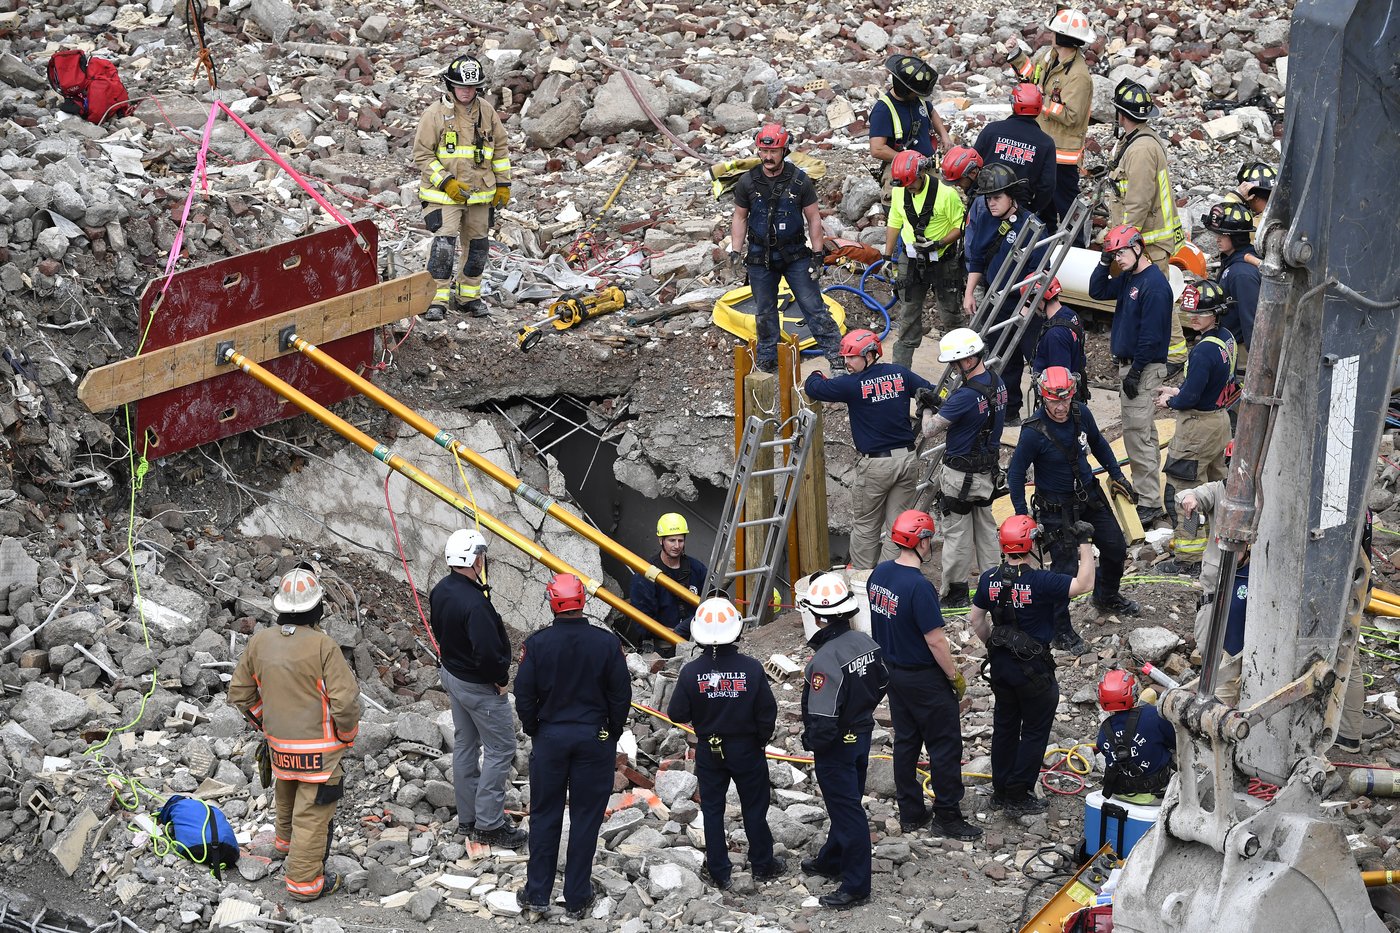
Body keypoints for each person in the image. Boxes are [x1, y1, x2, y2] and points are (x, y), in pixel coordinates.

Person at [229, 566, 360, 901]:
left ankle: (284, 845)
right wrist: (346, 734)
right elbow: (344, 703)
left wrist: (265, 724)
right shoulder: (323, 645)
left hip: (280, 748)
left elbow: (241, 694)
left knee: (287, 789)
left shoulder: (260, 642)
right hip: (320, 753)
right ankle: (303, 882)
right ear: (317, 608)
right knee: (313, 815)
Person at [515, 574, 631, 920]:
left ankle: (537, 893)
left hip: (551, 738)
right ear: (583, 601)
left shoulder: (537, 645)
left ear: (553, 602)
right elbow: (620, 694)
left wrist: (535, 727)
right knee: (585, 818)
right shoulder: (606, 643)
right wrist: (611, 730)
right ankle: (578, 896)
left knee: (545, 815)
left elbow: (524, 693)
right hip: (593, 739)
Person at [866, 511, 982, 840]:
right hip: (923, 677)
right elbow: (935, 641)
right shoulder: (919, 587)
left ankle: (911, 811)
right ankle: (947, 814)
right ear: (920, 541)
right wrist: (953, 677)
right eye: (928, 538)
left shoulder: (880, 574)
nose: (931, 543)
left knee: (906, 741)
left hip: (893, 673)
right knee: (944, 745)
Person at [968, 515, 1095, 813]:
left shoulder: (989, 578)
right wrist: (1086, 544)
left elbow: (976, 619)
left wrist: (992, 644)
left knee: (1005, 727)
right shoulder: (1040, 581)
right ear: (1029, 545)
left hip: (1001, 667)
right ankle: (1018, 793)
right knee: (1035, 731)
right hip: (1034, 669)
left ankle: (1001, 789)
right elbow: (1085, 583)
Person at [1008, 367, 1139, 652]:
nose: (1061, 406)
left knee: (1116, 548)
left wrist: (1117, 475)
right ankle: (1061, 630)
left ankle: (1106, 595)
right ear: (1043, 398)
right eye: (1055, 401)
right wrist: (1022, 514)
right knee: (1064, 572)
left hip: (1090, 497)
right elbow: (1016, 474)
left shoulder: (1081, 414)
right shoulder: (1033, 432)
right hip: (1057, 510)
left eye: (1066, 399)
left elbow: (1100, 445)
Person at [666, 597, 784, 890]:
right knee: (755, 808)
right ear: (737, 629)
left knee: (714, 810)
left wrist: (703, 713)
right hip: (747, 748)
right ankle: (763, 864)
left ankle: (719, 870)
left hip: (709, 748)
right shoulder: (752, 668)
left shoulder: (691, 672)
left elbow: (677, 713)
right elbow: (767, 712)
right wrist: (758, 740)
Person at [428, 528, 526, 848]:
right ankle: (489, 823)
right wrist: (499, 681)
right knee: (501, 749)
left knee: (466, 745)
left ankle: (468, 818)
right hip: (477, 685)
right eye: (482, 555)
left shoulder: (442, 589)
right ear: (474, 559)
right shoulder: (475, 604)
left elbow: (440, 630)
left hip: (453, 677)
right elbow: (487, 654)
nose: (484, 560)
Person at [797, 573, 891, 909]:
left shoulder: (825, 660)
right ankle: (832, 858)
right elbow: (882, 681)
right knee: (847, 799)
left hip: (837, 743)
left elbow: (823, 718)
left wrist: (813, 742)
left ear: (818, 616)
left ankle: (856, 885)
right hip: (861, 734)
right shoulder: (866, 642)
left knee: (847, 809)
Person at [803, 329, 933, 569]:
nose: (846, 363)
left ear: (870, 355)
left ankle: (863, 581)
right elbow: (931, 391)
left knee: (866, 525)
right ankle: (891, 578)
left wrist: (816, 372)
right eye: (845, 357)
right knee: (898, 525)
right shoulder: (899, 373)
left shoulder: (852, 384)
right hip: (906, 460)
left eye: (851, 357)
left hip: (876, 466)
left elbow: (814, 387)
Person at [729, 123, 844, 374]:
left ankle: (838, 358)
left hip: (795, 255)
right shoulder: (747, 182)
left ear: (784, 150)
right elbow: (739, 217)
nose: (768, 157)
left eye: (774, 152)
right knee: (765, 312)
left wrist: (817, 254)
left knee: (813, 306)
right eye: (763, 151)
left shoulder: (800, 180)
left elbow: (814, 218)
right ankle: (768, 360)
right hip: (760, 257)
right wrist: (735, 250)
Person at [413, 55, 510, 321]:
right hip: (444, 195)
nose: (466, 92)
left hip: (480, 194)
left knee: (478, 246)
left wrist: (503, 184)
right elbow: (422, 155)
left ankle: (468, 296)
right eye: (461, 86)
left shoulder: (487, 112)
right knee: (444, 245)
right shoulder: (435, 114)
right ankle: (437, 299)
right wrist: (447, 181)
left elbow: (500, 150)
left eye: (471, 87)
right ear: (450, 86)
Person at [1090, 224, 1173, 526]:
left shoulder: (1154, 285)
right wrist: (1103, 261)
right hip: (1134, 366)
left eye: (1121, 252)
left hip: (1144, 368)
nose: (1118, 259)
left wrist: (1136, 373)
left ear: (1138, 248)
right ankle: (1149, 495)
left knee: (1138, 436)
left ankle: (1150, 503)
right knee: (1143, 435)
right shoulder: (1129, 278)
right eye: (1114, 254)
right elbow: (1097, 291)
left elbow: (1151, 337)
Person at [1100, 78, 1187, 366]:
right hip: (1144, 239)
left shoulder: (1139, 150)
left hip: (1147, 240)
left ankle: (1174, 355)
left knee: (1158, 296)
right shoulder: (1137, 141)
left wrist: (1122, 239)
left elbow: (1137, 201)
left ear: (1121, 114)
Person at [921, 328, 1007, 608]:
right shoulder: (998, 383)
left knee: (957, 533)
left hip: (960, 476)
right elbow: (975, 416)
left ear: (967, 360)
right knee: (985, 529)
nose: (953, 369)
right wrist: (945, 406)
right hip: (987, 474)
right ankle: (994, 586)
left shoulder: (965, 396)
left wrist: (926, 408)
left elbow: (930, 431)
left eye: (954, 364)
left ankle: (955, 594)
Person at [1153, 282, 1236, 572]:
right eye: (1191, 312)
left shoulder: (1202, 352)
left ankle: (1189, 559)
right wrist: (1179, 392)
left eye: (1201, 313)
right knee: (1218, 486)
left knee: (1183, 492)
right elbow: (1213, 385)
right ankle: (1224, 544)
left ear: (1216, 313)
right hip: (1219, 421)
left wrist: (1171, 401)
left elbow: (1191, 396)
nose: (1193, 317)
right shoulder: (1226, 339)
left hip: (1197, 427)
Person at [962, 163, 1047, 425]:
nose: (991, 204)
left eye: (997, 197)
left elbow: (1040, 271)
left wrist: (1028, 304)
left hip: (1023, 303)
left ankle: (1047, 411)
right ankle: (1010, 412)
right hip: (994, 300)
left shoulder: (1031, 226)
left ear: (1011, 196)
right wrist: (969, 293)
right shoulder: (986, 220)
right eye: (988, 198)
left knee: (1037, 358)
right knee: (1002, 359)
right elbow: (977, 259)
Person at [1004, 8, 1096, 232]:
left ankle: (1075, 246)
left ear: (1063, 37)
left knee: (1065, 204)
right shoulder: (1049, 56)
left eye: (1054, 31)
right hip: (1043, 145)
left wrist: (1040, 101)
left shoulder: (1079, 76)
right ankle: (1046, 246)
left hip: (1062, 155)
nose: (1050, 34)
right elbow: (1031, 74)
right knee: (1042, 201)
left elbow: (1072, 116)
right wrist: (1016, 54)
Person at [882, 150, 967, 365]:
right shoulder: (900, 190)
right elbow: (894, 221)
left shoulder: (946, 194)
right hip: (910, 260)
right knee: (908, 315)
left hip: (942, 260)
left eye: (911, 183)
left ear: (922, 173)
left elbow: (961, 226)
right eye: (904, 185)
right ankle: (900, 371)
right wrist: (886, 256)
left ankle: (964, 366)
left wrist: (938, 243)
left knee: (950, 314)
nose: (908, 188)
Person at [869, 54, 954, 202]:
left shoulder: (918, 100)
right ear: (904, 89)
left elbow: (932, 113)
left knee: (943, 200)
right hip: (900, 167)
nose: (918, 95)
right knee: (899, 204)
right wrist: (910, 161)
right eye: (915, 92)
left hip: (929, 163)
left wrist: (944, 135)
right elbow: (877, 149)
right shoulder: (883, 110)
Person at [972, 83, 1057, 227]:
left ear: (1013, 104)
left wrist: (974, 195)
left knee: (976, 245)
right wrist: (1031, 209)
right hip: (1018, 210)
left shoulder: (992, 130)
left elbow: (973, 165)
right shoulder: (1046, 143)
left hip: (985, 202)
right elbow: (1047, 186)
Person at [627, 512, 707, 654]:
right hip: (662, 642)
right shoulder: (646, 573)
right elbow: (641, 617)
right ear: (661, 540)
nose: (677, 546)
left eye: (680, 541)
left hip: (695, 638)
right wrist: (666, 632)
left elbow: (709, 603)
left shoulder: (696, 569)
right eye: (672, 540)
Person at [1095, 670, 1176, 803]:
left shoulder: (1105, 729)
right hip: (1153, 795)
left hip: (1118, 792)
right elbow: (1175, 742)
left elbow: (1103, 749)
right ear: (1132, 692)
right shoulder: (1153, 716)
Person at [1203, 201, 1261, 356]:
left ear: (1237, 237)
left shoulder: (1241, 273)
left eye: (1223, 235)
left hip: (1240, 349)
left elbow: (1252, 321)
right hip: (1230, 341)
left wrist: (1255, 359)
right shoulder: (1233, 260)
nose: (1217, 239)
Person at [1027, 276, 1088, 400]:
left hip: (1058, 401)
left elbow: (1059, 383)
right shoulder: (1071, 315)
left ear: (1038, 300)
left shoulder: (1055, 334)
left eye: (1030, 301)